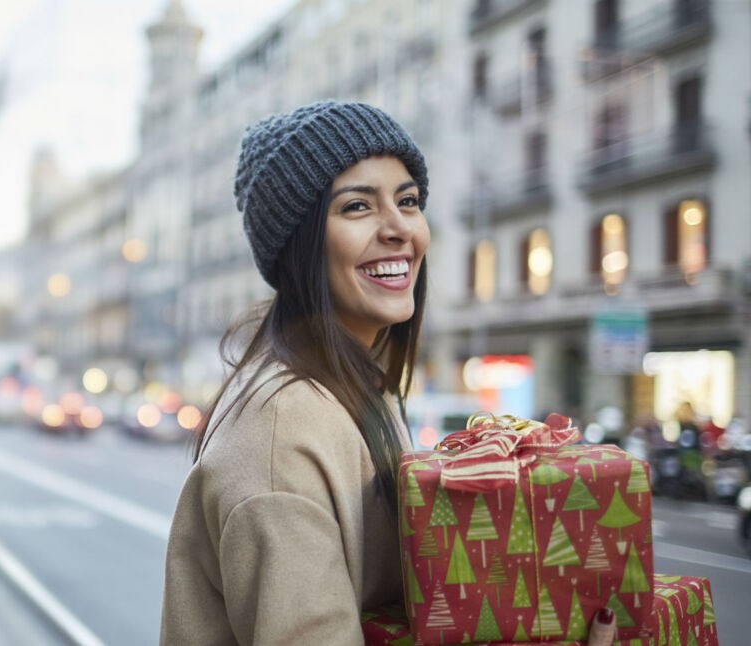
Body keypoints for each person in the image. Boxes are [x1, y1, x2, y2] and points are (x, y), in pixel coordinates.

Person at [159, 101, 617, 645]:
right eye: (357, 206)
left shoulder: (362, 393)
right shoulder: (283, 434)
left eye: (408, 201)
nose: (400, 229)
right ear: (298, 244)